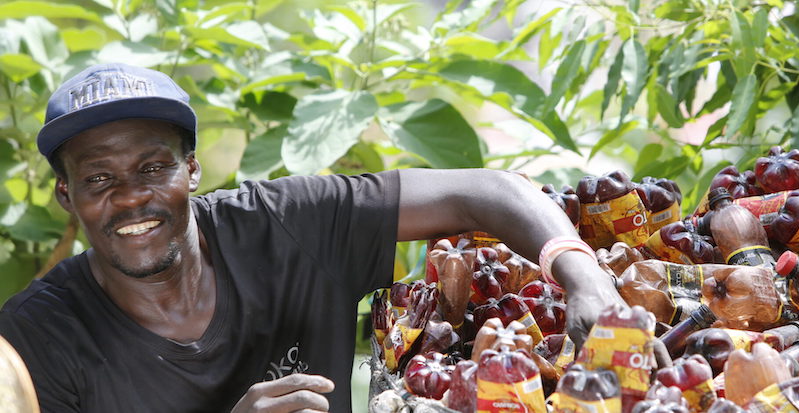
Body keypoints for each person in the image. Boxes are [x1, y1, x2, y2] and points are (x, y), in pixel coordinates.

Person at [0, 63, 625, 412]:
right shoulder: (38, 341)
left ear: (192, 169)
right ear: (67, 196)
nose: (131, 198)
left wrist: (584, 276)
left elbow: (483, 191)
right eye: (99, 179)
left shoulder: (282, 226)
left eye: (153, 167)